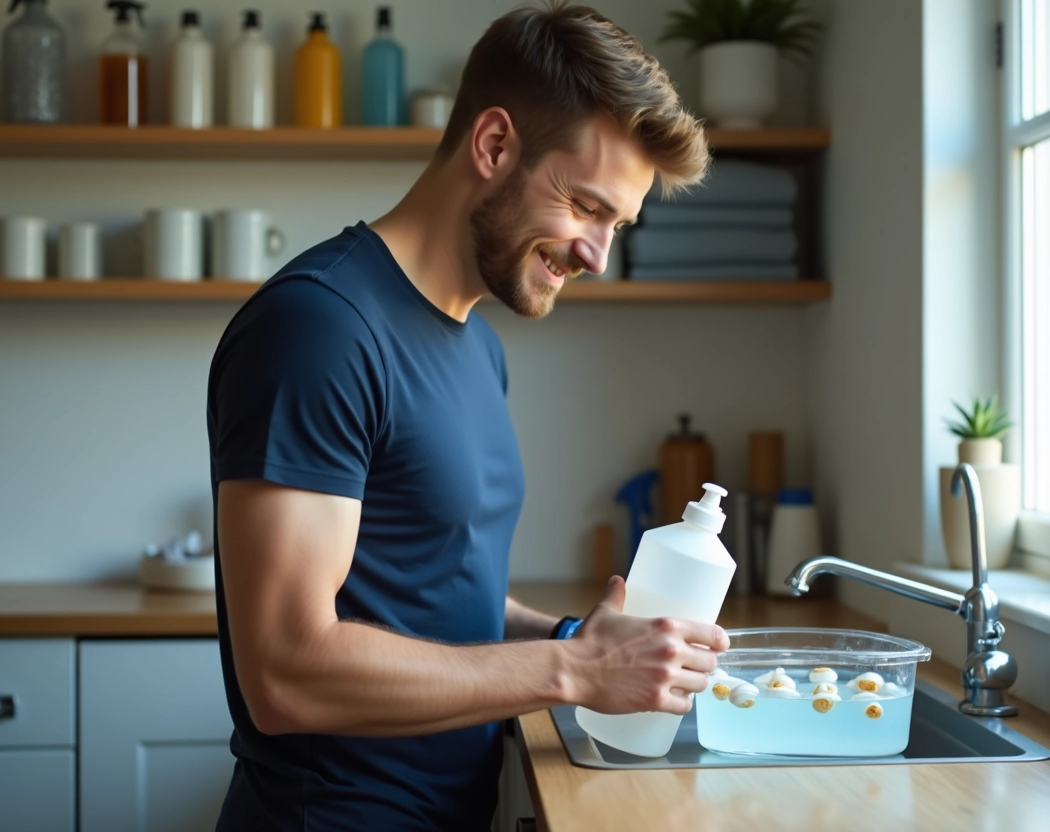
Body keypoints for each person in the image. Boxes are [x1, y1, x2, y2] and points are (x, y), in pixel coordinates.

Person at [207, 3, 723, 830]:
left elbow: (436, 594)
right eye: (587, 207)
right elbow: (286, 672)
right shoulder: (320, 329)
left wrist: (582, 637)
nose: (598, 255)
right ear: (493, 146)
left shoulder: (475, 346)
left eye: (617, 226)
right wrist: (571, 670)